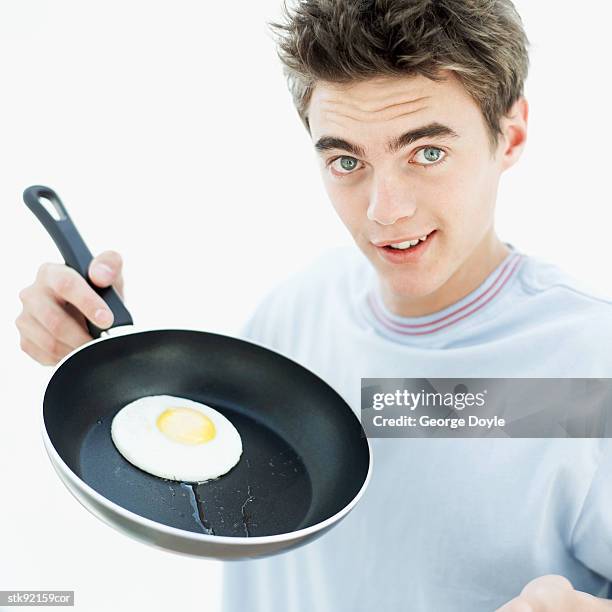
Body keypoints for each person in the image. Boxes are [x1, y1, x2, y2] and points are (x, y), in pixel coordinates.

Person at [15, 0, 612, 610]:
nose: (385, 209)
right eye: (346, 160)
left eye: (426, 153)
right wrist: (94, 348)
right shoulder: (295, 310)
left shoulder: (590, 362)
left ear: (509, 137)